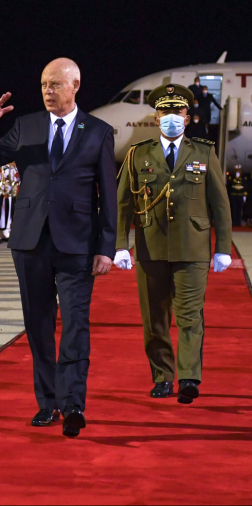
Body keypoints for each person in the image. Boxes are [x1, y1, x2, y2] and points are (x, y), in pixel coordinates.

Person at [0, 58, 117, 437]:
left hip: (78, 245)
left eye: (55, 84)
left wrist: (107, 246)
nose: (48, 91)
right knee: (38, 327)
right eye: (43, 85)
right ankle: (48, 403)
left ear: (75, 86)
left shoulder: (99, 131)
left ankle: (74, 405)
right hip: (31, 242)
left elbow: (108, 193)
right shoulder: (27, 125)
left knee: (74, 325)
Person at [114, 83, 233, 404]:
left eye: (176, 112)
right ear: (156, 117)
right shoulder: (138, 154)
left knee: (190, 315)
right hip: (150, 247)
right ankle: (163, 377)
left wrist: (223, 246)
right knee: (154, 318)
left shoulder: (204, 152)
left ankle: (190, 377)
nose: (170, 118)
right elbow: (122, 202)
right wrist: (120, 244)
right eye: (164, 112)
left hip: (193, 248)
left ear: (188, 116)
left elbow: (220, 205)